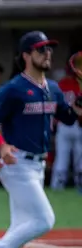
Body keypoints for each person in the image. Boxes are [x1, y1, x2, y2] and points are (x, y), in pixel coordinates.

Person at [0, 31, 82, 248]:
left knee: (20, 225)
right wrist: (2, 146)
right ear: (25, 55)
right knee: (44, 219)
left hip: (36, 166)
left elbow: (69, 118)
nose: (47, 53)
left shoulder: (53, 89)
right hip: (17, 163)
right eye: (40, 49)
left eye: (49, 49)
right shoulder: (13, 88)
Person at [51, 51, 82, 190]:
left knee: (66, 158)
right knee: (72, 159)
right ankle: (62, 186)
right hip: (70, 124)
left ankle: (58, 186)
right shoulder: (64, 83)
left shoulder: (62, 83)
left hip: (68, 124)